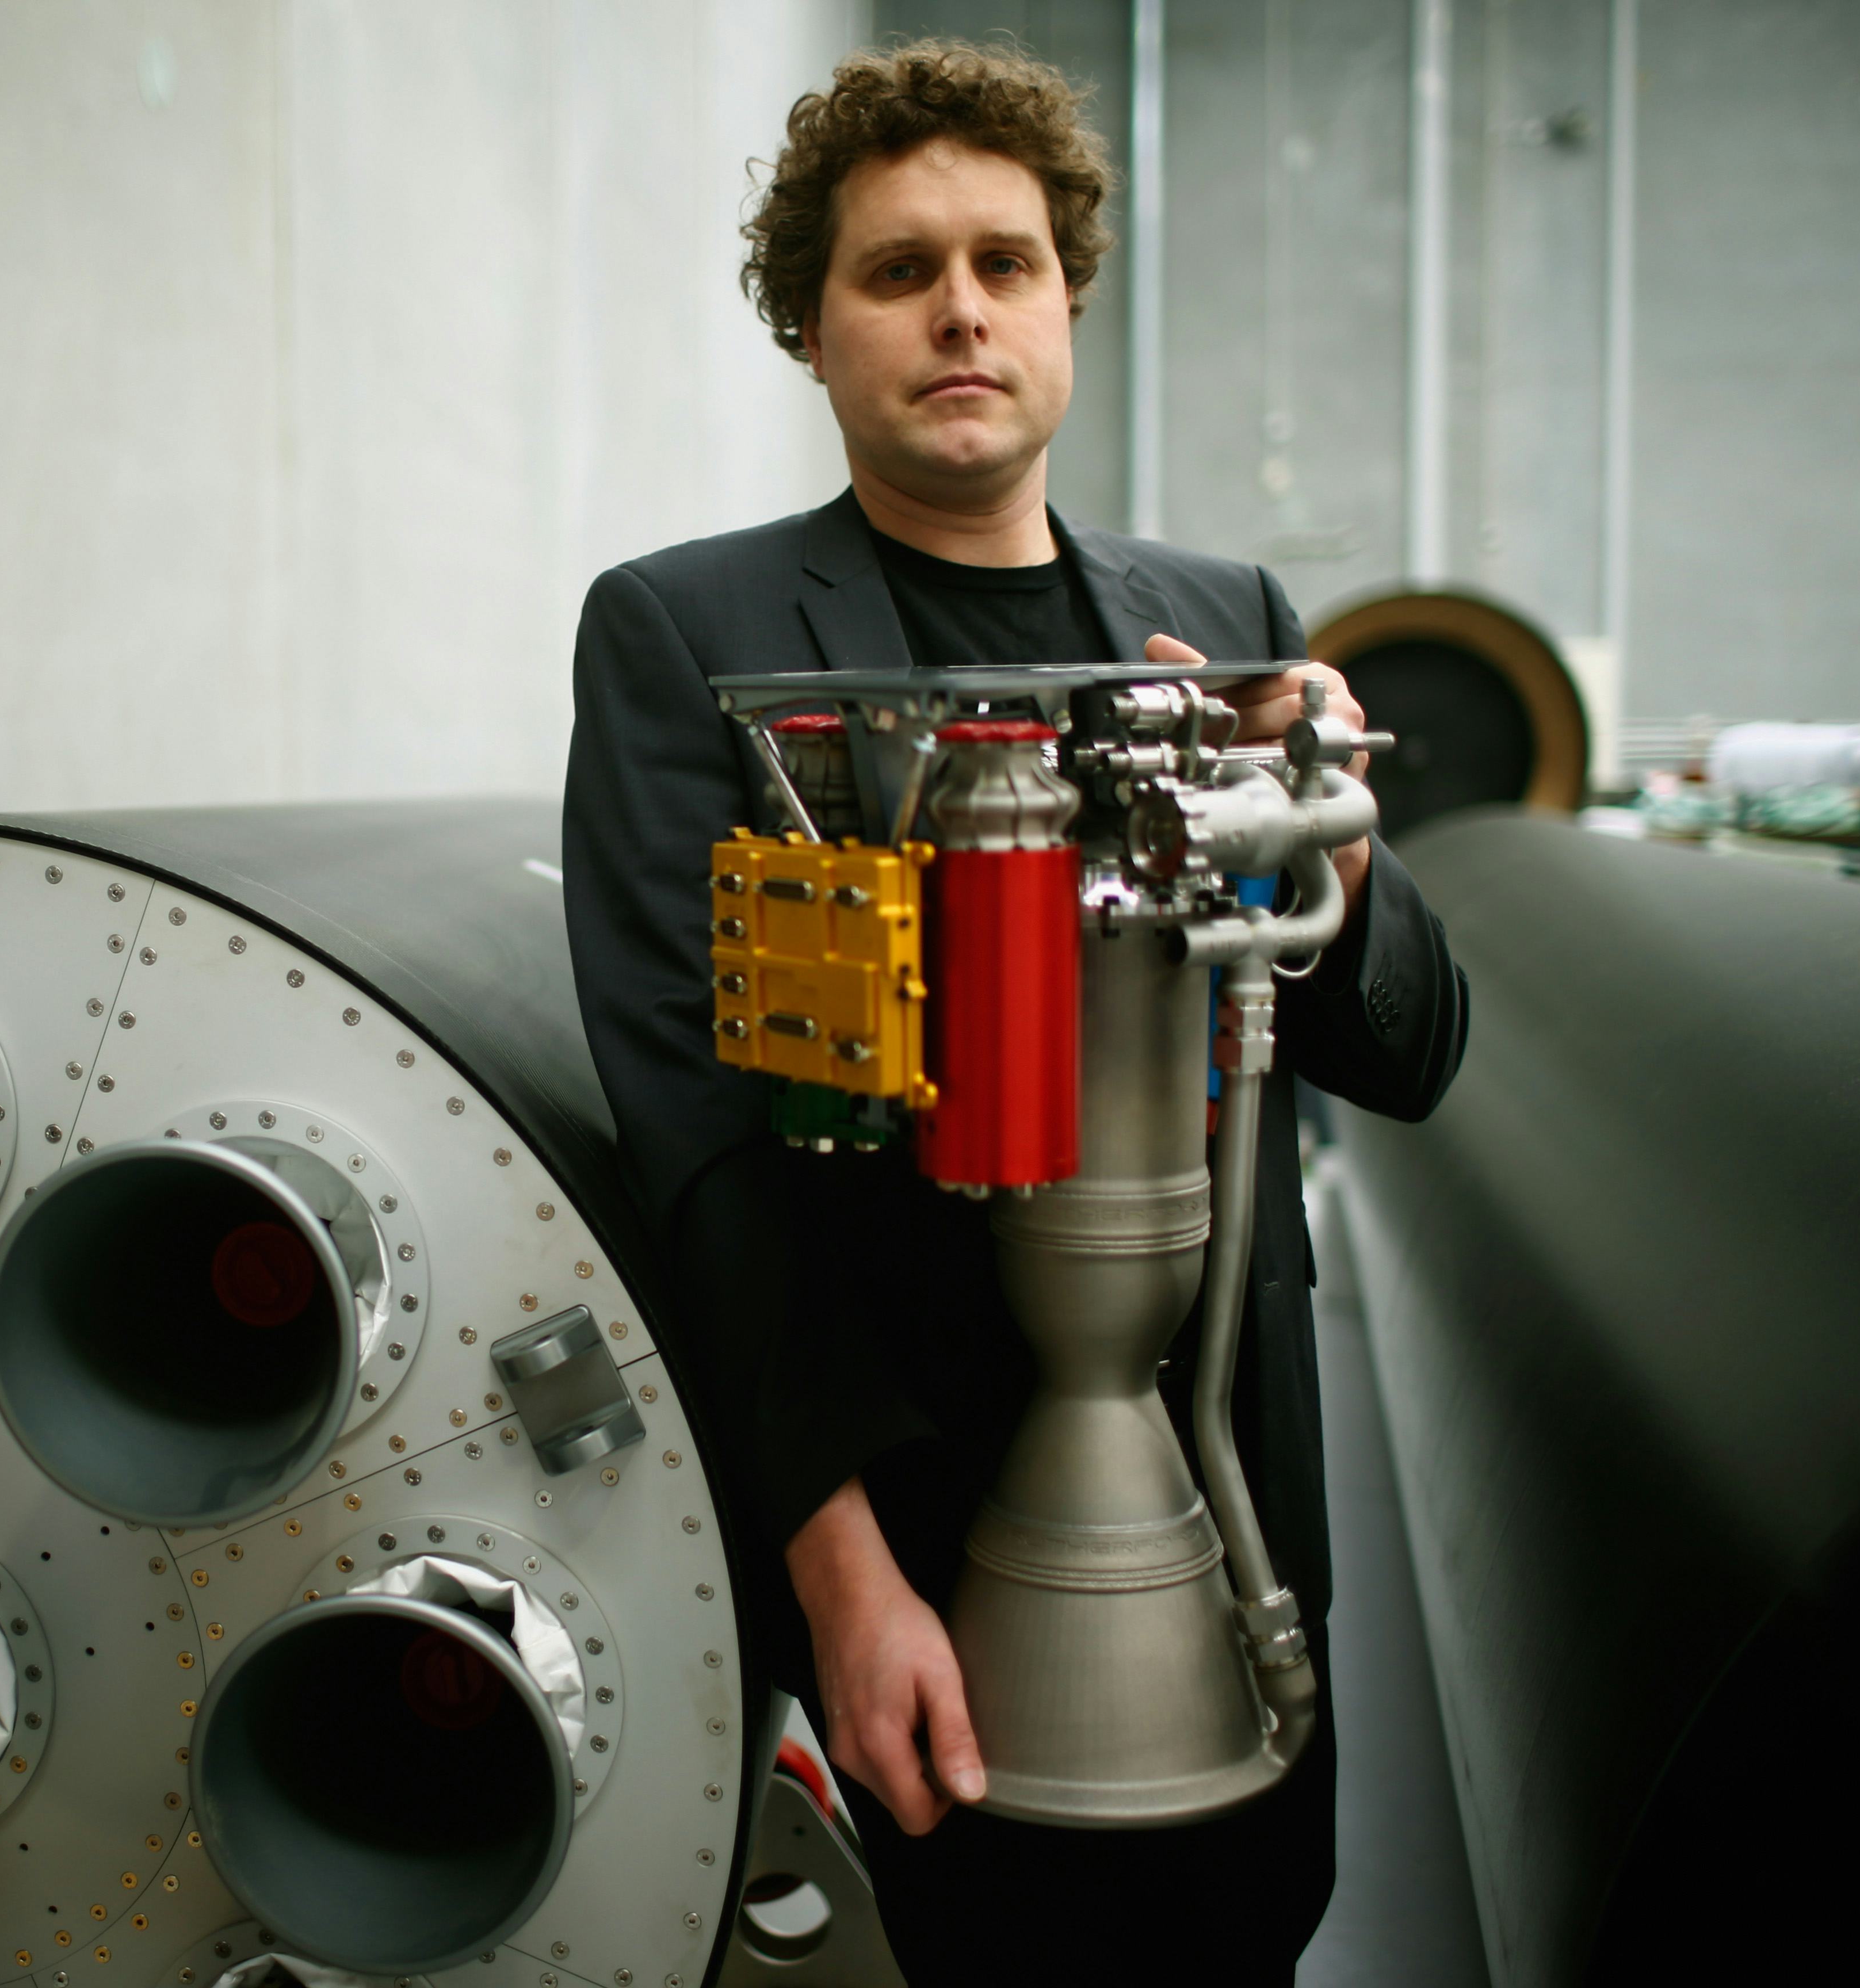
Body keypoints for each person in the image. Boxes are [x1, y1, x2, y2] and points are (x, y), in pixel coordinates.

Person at [560, 40, 1470, 1983]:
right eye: (898, 271)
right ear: (814, 330)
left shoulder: (1222, 616)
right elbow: (698, 1139)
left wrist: (1329, 828)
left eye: (1006, 263)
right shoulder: (691, 635)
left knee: (1243, 1936)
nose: (961, 309)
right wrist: (842, 1573)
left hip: (1230, 1489)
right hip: (925, 1520)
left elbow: (1407, 1053)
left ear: (1068, 304)